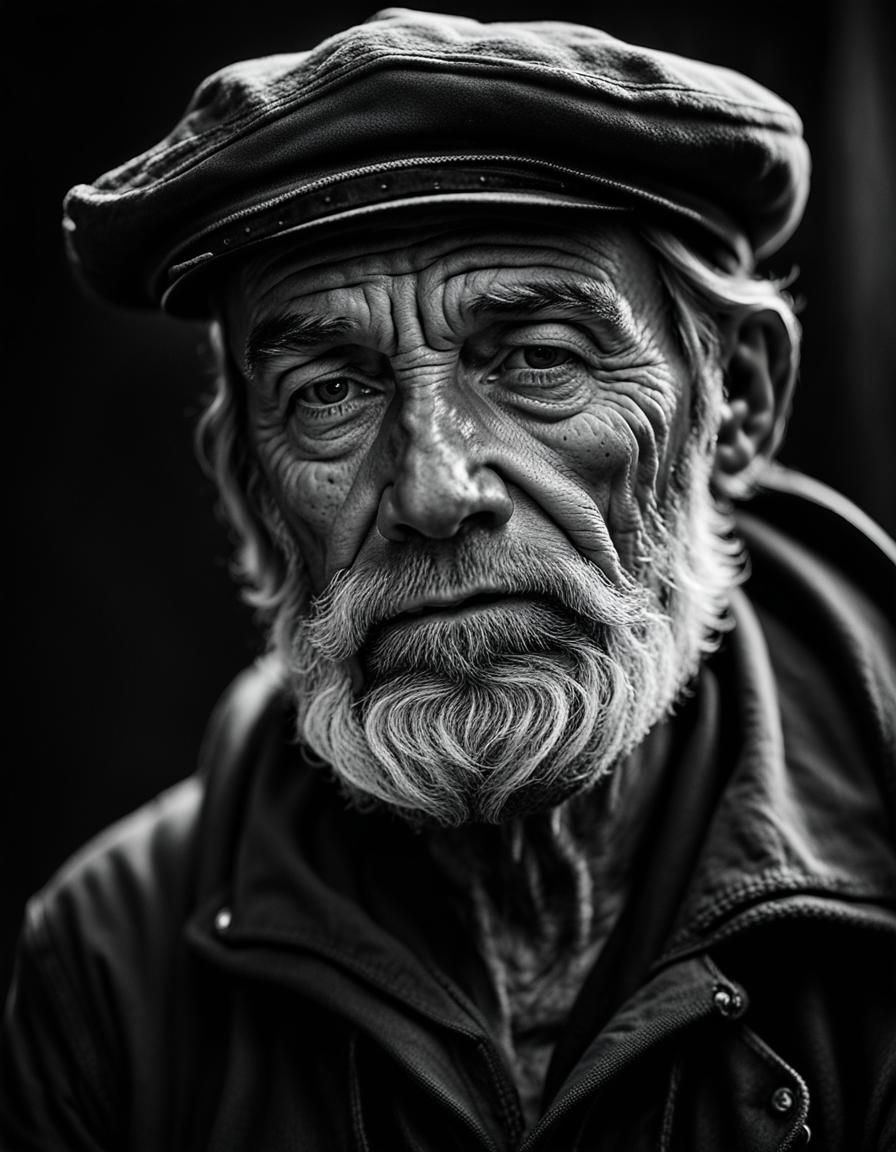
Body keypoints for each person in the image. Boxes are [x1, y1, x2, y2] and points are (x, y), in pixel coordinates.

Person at [2, 9, 895, 1150]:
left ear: (737, 408)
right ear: (246, 489)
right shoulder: (109, 970)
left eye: (536, 362)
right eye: (329, 390)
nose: (430, 488)